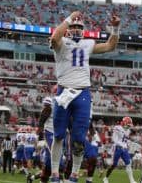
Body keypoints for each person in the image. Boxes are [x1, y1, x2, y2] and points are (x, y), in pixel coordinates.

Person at [49, 11, 120, 183]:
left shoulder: (87, 44)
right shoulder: (61, 42)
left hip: (82, 93)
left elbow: (110, 46)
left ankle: (74, 174)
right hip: (64, 91)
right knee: (58, 135)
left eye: (79, 27)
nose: (76, 30)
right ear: (68, 28)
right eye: (73, 26)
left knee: (79, 137)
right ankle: (54, 173)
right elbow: (54, 38)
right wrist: (69, 18)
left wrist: (116, 29)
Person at [103, 117, 137, 183]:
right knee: (114, 165)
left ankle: (132, 180)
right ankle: (106, 178)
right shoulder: (117, 128)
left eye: (129, 125)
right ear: (124, 123)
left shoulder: (128, 130)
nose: (128, 126)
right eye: (128, 125)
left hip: (124, 149)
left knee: (128, 163)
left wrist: (132, 127)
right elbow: (114, 138)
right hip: (117, 148)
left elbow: (134, 131)